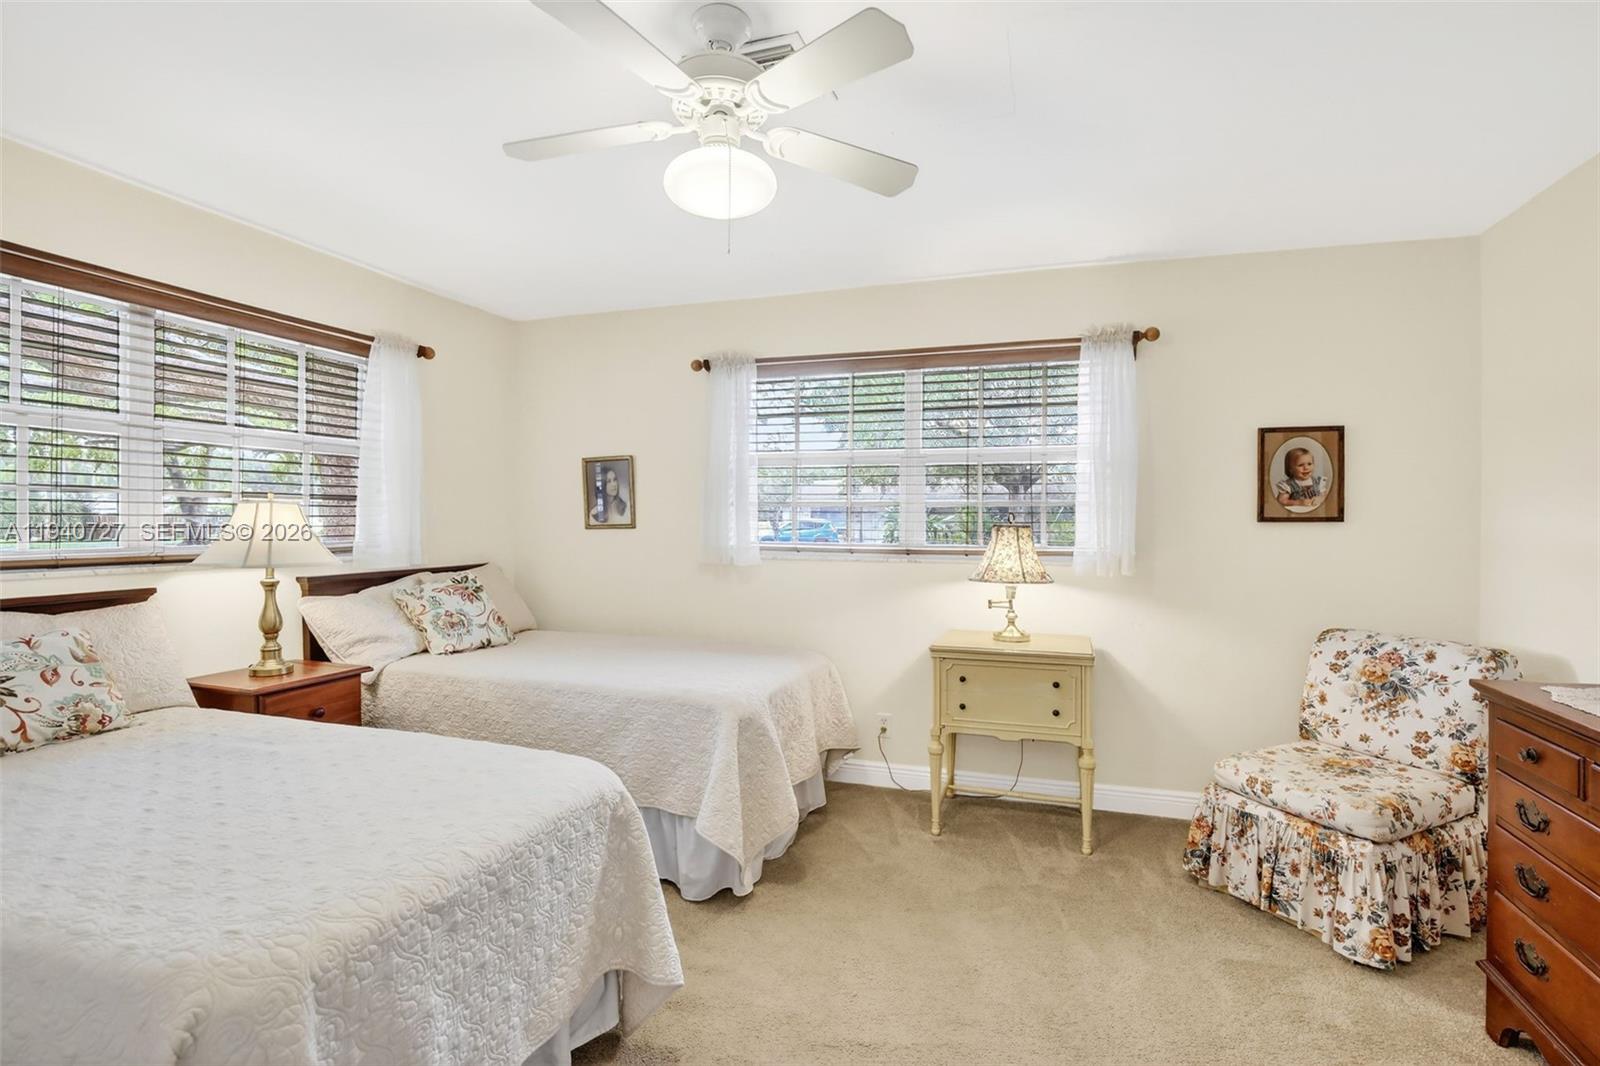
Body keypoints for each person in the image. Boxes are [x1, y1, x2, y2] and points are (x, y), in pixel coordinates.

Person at [1274, 446, 1328, 510]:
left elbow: (1325, 495)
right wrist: (1298, 502)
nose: (1306, 468)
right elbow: (1281, 501)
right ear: (1291, 469)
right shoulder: (1288, 485)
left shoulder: (1318, 482)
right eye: (1300, 465)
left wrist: (1320, 498)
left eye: (1309, 464)